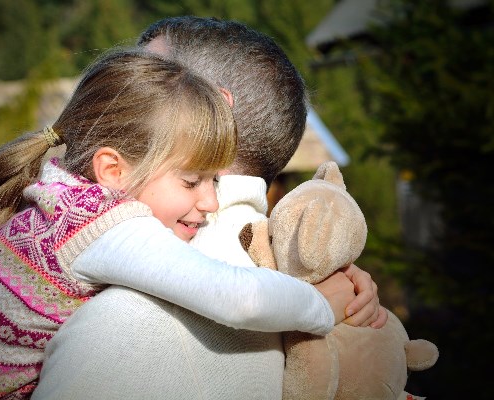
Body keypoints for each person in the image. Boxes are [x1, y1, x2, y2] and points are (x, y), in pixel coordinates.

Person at [0, 49, 354, 400]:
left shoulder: (58, 197)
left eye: (214, 180)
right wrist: (321, 306)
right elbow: (238, 296)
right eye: (193, 180)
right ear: (113, 171)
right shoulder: (102, 227)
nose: (211, 201)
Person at [33, 17, 386, 400]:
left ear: (214, 110)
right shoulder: (306, 281)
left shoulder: (124, 323)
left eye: (148, 77)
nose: (117, 94)